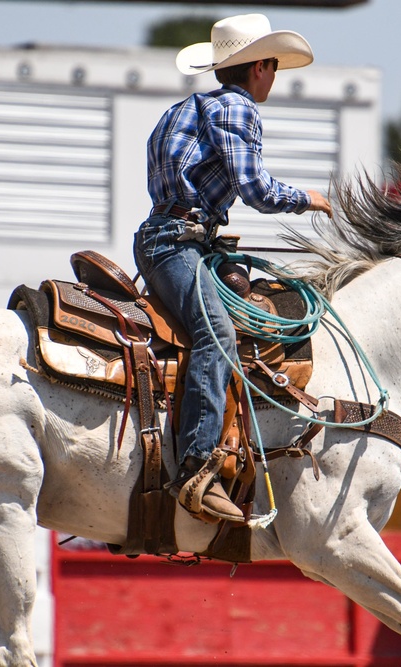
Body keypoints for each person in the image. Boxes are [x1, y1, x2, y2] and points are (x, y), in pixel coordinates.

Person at [133, 14, 333, 523]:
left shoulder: (188, 107)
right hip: (176, 243)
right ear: (260, 66)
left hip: (174, 238)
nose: (273, 78)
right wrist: (306, 200)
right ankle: (199, 469)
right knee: (217, 334)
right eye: (274, 67)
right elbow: (257, 190)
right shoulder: (236, 108)